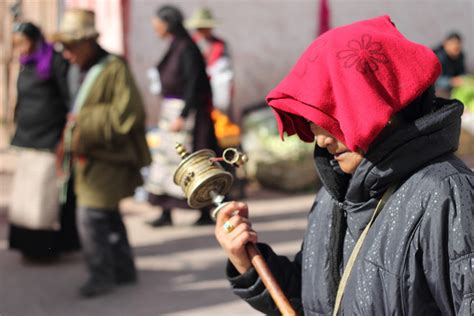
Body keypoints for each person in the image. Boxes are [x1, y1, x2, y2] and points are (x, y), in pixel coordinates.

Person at [214, 16, 473, 315]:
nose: (319, 139)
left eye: (329, 117)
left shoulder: (446, 195)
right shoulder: (337, 192)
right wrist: (248, 262)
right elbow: (317, 300)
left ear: (376, 108)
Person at [52, 9, 151, 298]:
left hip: (109, 155)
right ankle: (124, 269)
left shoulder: (114, 68)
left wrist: (83, 123)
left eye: (70, 47)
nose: (66, 54)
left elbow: (129, 113)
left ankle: (101, 275)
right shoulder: (75, 68)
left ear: (87, 42)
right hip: (88, 156)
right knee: (107, 214)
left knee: (91, 215)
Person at [9, 22, 80, 261]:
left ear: (35, 39)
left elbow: (69, 98)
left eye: (23, 42)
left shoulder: (55, 61)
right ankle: (27, 247)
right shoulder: (25, 64)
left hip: (50, 138)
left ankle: (48, 249)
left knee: (44, 197)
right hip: (28, 138)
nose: (20, 48)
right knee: (25, 197)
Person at [145, 5, 219, 227]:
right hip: (172, 112)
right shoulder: (176, 46)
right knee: (167, 162)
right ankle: (166, 210)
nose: (155, 28)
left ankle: (205, 209)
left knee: (191, 160)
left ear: (167, 24)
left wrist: (184, 114)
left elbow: (194, 84)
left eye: (157, 23)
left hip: (186, 115)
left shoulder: (187, 48)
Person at [186, 7, 234, 116]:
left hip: (217, 90)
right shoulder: (190, 45)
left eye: (205, 27)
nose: (202, 30)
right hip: (197, 91)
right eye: (199, 28)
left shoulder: (220, 45)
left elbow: (225, 70)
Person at [433, 32, 467, 97]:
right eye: (453, 44)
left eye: (458, 46)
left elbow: (462, 72)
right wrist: (451, 81)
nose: (455, 47)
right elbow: (435, 80)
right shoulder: (437, 57)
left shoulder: (460, 56)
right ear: (445, 44)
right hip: (438, 92)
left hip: (453, 91)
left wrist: (463, 79)